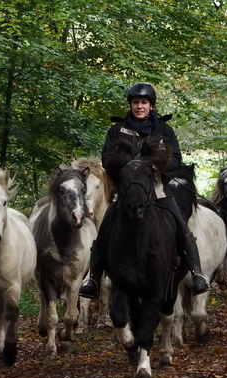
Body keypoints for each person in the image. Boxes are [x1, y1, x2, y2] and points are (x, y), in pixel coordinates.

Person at [78, 82, 210, 299]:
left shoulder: (164, 130)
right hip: (126, 190)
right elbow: (106, 158)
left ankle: (197, 274)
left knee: (180, 225)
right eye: (136, 102)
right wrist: (128, 169)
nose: (140, 106)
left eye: (144, 103)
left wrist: (158, 166)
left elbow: (177, 159)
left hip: (157, 188)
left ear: (151, 106)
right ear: (130, 105)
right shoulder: (116, 130)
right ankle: (93, 278)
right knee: (104, 230)